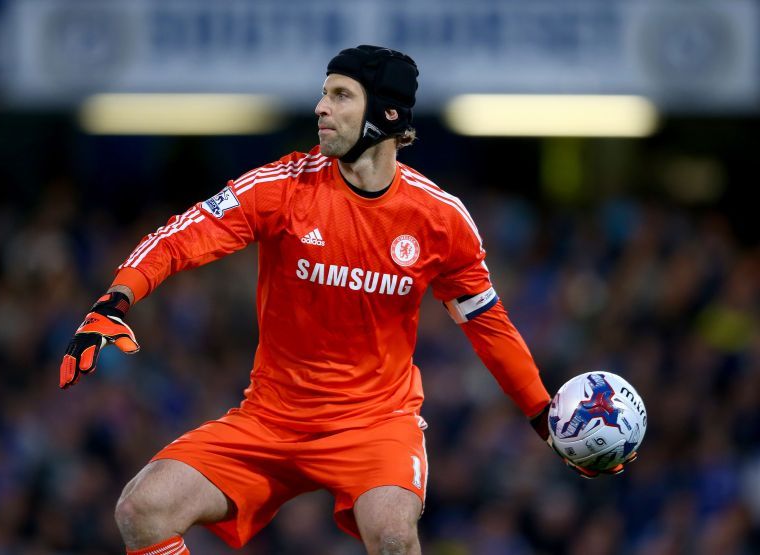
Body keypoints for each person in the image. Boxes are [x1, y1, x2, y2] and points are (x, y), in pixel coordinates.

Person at [59, 45, 633, 555]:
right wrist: (117, 298)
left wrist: (542, 419)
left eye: (340, 95)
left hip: (376, 423)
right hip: (270, 420)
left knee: (393, 538)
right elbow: (184, 235)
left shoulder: (439, 220)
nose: (320, 108)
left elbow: (489, 326)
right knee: (142, 511)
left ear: (385, 114)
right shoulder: (282, 188)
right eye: (323, 93)